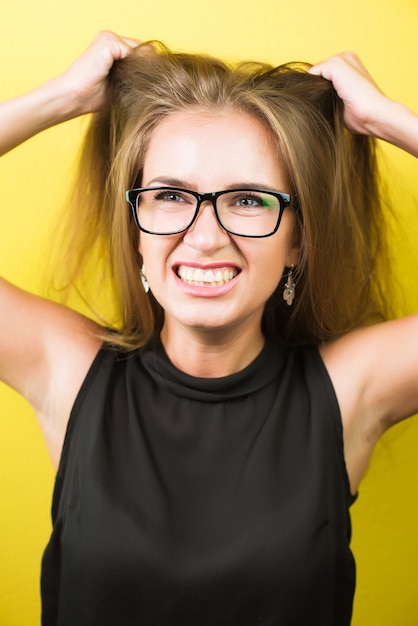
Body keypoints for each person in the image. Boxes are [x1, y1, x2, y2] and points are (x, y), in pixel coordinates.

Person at [1, 31, 418, 626]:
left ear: (298, 239)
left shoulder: (351, 390)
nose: (205, 236)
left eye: (249, 200)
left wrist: (388, 119)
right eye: (171, 195)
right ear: (135, 229)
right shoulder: (68, 373)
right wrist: (60, 98)